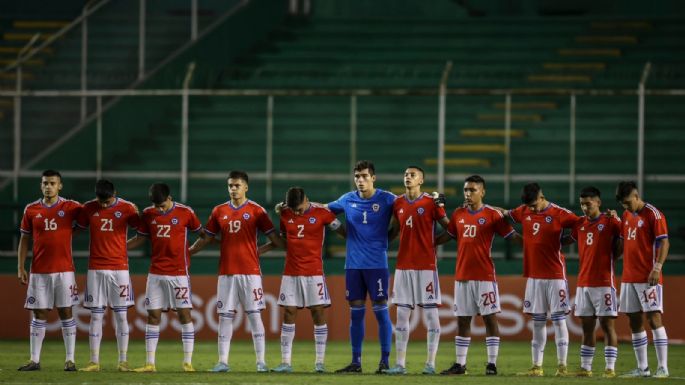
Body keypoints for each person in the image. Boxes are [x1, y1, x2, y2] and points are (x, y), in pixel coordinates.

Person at [189, 170, 283, 373]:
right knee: (225, 316)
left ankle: (261, 362)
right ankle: (222, 361)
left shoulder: (257, 211)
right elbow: (206, 237)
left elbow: (276, 240)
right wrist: (189, 252)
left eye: (237, 185)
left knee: (254, 316)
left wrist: (258, 251)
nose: (233, 189)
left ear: (246, 187)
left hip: (250, 272)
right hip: (227, 272)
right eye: (230, 185)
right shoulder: (218, 211)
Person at [436, 175, 518, 376]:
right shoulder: (458, 213)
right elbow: (449, 235)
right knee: (463, 320)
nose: (468, 193)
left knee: (490, 319)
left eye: (472, 190)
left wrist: (537, 244)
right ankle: (460, 365)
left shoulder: (492, 214)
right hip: (462, 275)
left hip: (484, 276)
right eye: (466, 190)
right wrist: (426, 243)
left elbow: (512, 236)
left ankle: (491, 364)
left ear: (482, 192)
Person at [262, 187, 345, 373]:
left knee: (317, 313)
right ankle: (285, 362)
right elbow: (284, 238)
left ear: (307, 199)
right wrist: (264, 249)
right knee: (289, 313)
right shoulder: (284, 212)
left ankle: (320, 362)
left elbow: (343, 231)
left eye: (299, 209)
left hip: (314, 272)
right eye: (293, 209)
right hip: (291, 272)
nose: (296, 212)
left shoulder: (323, 213)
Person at [500, 182, 579, 376]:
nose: (532, 209)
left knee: (559, 321)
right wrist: (484, 207)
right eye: (529, 207)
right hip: (534, 276)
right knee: (538, 322)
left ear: (542, 198)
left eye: (534, 205)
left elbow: (581, 224)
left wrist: (569, 240)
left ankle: (562, 366)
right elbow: (504, 213)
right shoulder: (524, 211)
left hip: (555, 276)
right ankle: (537, 366)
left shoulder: (560, 213)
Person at [127, 183, 204, 372]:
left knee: (184, 315)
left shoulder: (186, 212)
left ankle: (187, 362)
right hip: (156, 273)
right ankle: (150, 363)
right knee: (153, 315)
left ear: (170, 198)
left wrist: (190, 251)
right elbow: (140, 237)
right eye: (156, 206)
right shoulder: (148, 213)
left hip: (179, 274)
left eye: (162, 205)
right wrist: (119, 248)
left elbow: (203, 235)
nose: (159, 209)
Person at [328, 160, 397, 374]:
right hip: (353, 266)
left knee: (381, 312)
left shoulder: (387, 199)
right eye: (357, 176)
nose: (360, 180)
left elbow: (408, 210)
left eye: (364, 176)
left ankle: (385, 362)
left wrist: (388, 238)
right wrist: (339, 228)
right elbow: (323, 212)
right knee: (356, 314)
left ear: (373, 178)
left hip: (376, 264)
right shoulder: (346, 199)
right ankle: (356, 362)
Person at [384, 166, 449, 375]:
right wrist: (379, 244)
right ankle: (400, 364)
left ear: (421, 180)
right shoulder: (398, 203)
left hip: (426, 266)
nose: (408, 177)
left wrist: (433, 243)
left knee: (431, 314)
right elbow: (394, 230)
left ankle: (430, 364)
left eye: (412, 175)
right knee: (402, 315)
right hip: (403, 266)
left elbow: (450, 228)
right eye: (405, 174)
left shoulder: (431, 202)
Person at [17, 169, 82, 371]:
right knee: (39, 313)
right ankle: (34, 360)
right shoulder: (31, 209)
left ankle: (70, 360)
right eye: (45, 183)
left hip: (64, 270)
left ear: (59, 186)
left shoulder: (70, 206)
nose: (48, 186)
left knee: (66, 311)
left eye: (52, 183)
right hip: (39, 271)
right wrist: (20, 267)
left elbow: (92, 214)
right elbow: (24, 239)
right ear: (41, 185)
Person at [76, 179, 141, 372]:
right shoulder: (88, 208)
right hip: (95, 268)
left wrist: (123, 248)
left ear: (115, 194)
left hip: (119, 269)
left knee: (121, 316)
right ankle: (94, 361)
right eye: (101, 201)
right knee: (96, 316)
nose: (104, 205)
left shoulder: (128, 208)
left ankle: (123, 361)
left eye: (107, 201)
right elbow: (76, 229)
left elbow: (144, 232)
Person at [563, 186, 621, 377]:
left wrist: (618, 218)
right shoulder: (579, 224)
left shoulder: (610, 221)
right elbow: (565, 241)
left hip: (604, 282)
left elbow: (623, 242)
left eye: (588, 203)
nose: (585, 208)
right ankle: (585, 368)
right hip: (584, 283)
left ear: (598, 202)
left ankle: (610, 368)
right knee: (587, 327)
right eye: (582, 204)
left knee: (607, 326)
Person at [615, 181, 670, 378]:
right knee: (634, 321)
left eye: (628, 202)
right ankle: (643, 368)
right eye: (623, 204)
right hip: (628, 277)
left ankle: (662, 367)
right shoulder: (626, 215)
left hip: (648, 277)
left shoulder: (653, 214)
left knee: (654, 318)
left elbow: (664, 241)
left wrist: (657, 268)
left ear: (637, 196)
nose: (626, 206)